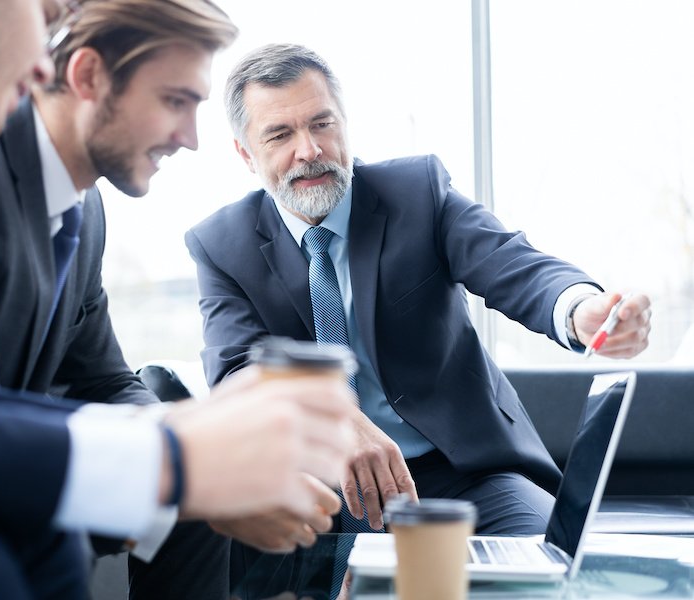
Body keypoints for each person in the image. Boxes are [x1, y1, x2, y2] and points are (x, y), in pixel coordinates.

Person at [0, 2, 358, 596]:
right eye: (47, 16)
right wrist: (173, 463)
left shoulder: (78, 210)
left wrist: (191, 442)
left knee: (60, 535)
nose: (46, 63)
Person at [186, 43, 653, 545]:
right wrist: (338, 420)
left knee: (549, 563)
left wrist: (579, 308)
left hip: (462, 477)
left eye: (322, 124)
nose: (309, 149)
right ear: (245, 154)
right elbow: (237, 372)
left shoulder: (416, 193)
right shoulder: (221, 245)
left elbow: (510, 263)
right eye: (280, 134)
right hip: (313, 488)